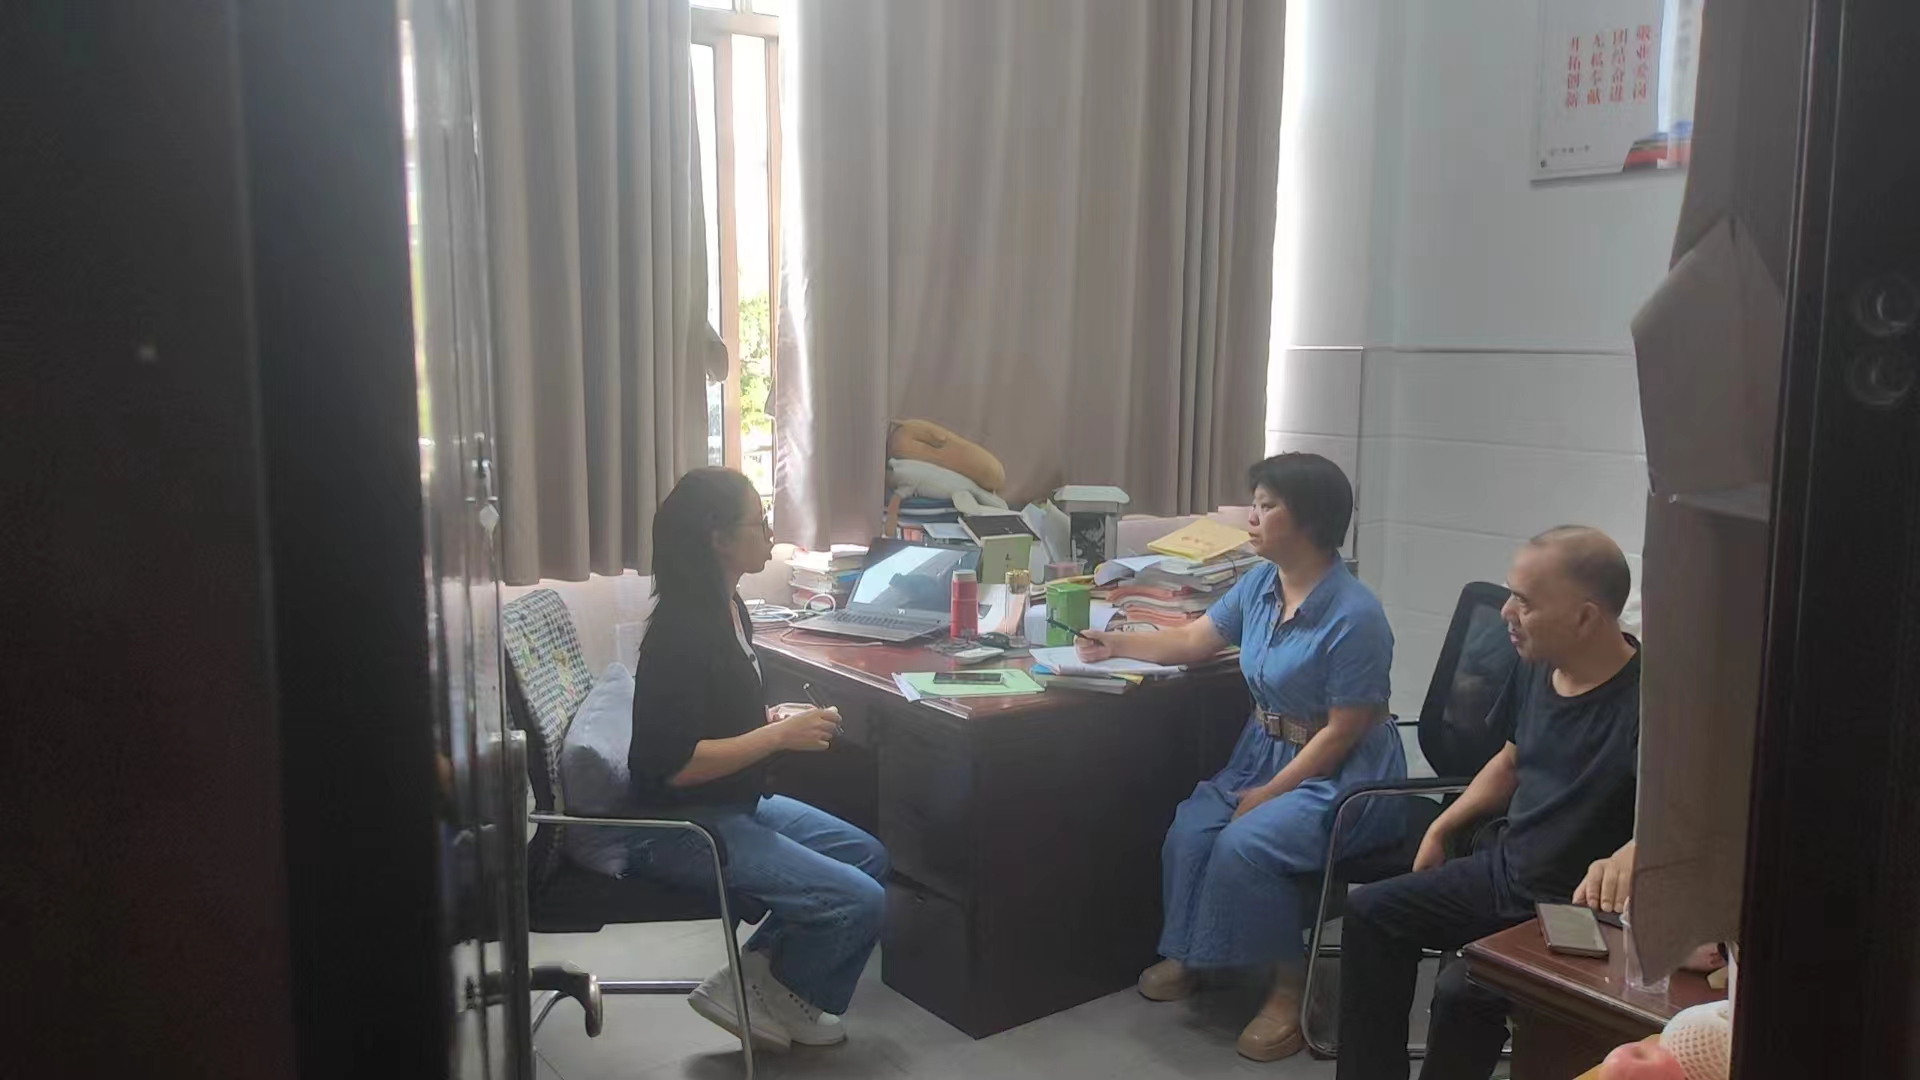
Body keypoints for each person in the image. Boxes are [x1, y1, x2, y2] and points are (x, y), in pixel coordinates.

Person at [1075, 452, 1406, 1062]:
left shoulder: (1355, 615)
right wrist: (1112, 642)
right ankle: (1196, 955)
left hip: (1343, 776)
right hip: (1263, 751)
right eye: (1254, 504)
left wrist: (1270, 794)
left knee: (1247, 843)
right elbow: (1193, 640)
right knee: (1191, 828)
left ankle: (1290, 992)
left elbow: (1343, 733)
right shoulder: (1259, 584)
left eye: (1266, 506)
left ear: (1310, 519)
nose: (1250, 518)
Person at [1334, 526, 1641, 1080]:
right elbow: (1511, 761)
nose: (1506, 613)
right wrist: (1441, 826)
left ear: (1585, 618)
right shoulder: (1536, 666)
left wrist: (1633, 851)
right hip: (1505, 871)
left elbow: (1697, 817)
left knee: (1462, 992)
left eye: (1525, 601)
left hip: (1574, 909)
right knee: (1371, 914)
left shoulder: (1655, 704)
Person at [627, 467, 889, 1053]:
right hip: (680, 827)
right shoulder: (680, 632)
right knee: (860, 899)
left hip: (732, 802)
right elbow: (671, 766)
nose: (770, 532)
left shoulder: (730, 608)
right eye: (759, 521)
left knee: (868, 857)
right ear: (718, 538)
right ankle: (776, 991)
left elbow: (714, 716)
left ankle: (756, 984)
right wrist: (776, 738)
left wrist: (771, 718)